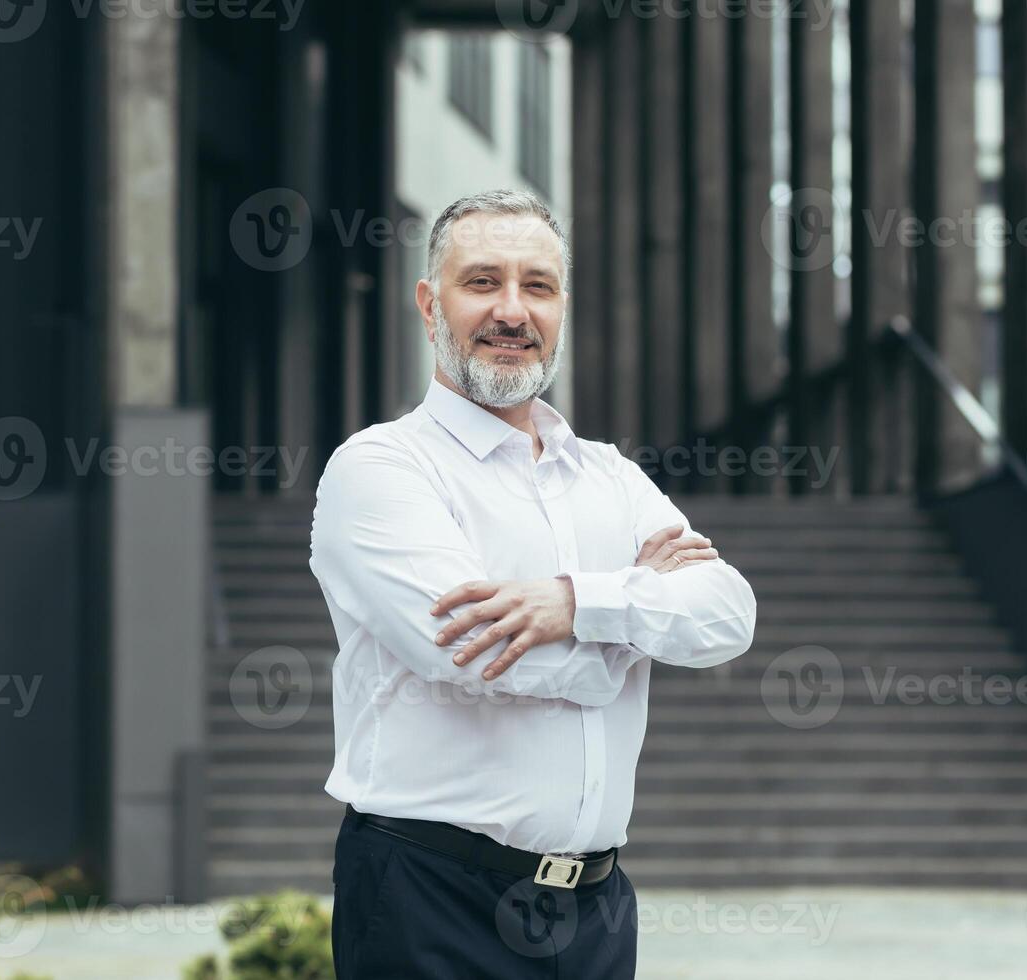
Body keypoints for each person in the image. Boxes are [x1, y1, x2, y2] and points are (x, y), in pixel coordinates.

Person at [309, 189, 758, 978]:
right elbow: (476, 655)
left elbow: (727, 613)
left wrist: (579, 603)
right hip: (428, 898)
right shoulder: (380, 469)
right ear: (429, 303)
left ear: (561, 308)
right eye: (482, 282)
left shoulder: (610, 477)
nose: (512, 311)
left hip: (596, 909)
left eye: (538, 286)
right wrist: (634, 628)